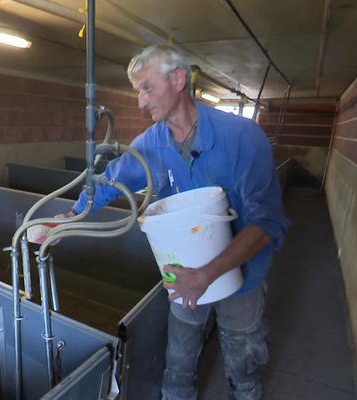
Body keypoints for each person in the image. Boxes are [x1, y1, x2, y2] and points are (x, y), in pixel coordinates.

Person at [66, 45, 290, 399]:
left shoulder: (242, 137)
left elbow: (267, 223)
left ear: (178, 80)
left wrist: (206, 275)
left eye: (146, 88)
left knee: (242, 355)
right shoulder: (151, 143)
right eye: (137, 90)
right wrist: (68, 216)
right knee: (180, 356)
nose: (140, 102)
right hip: (183, 272)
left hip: (242, 274)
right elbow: (113, 180)